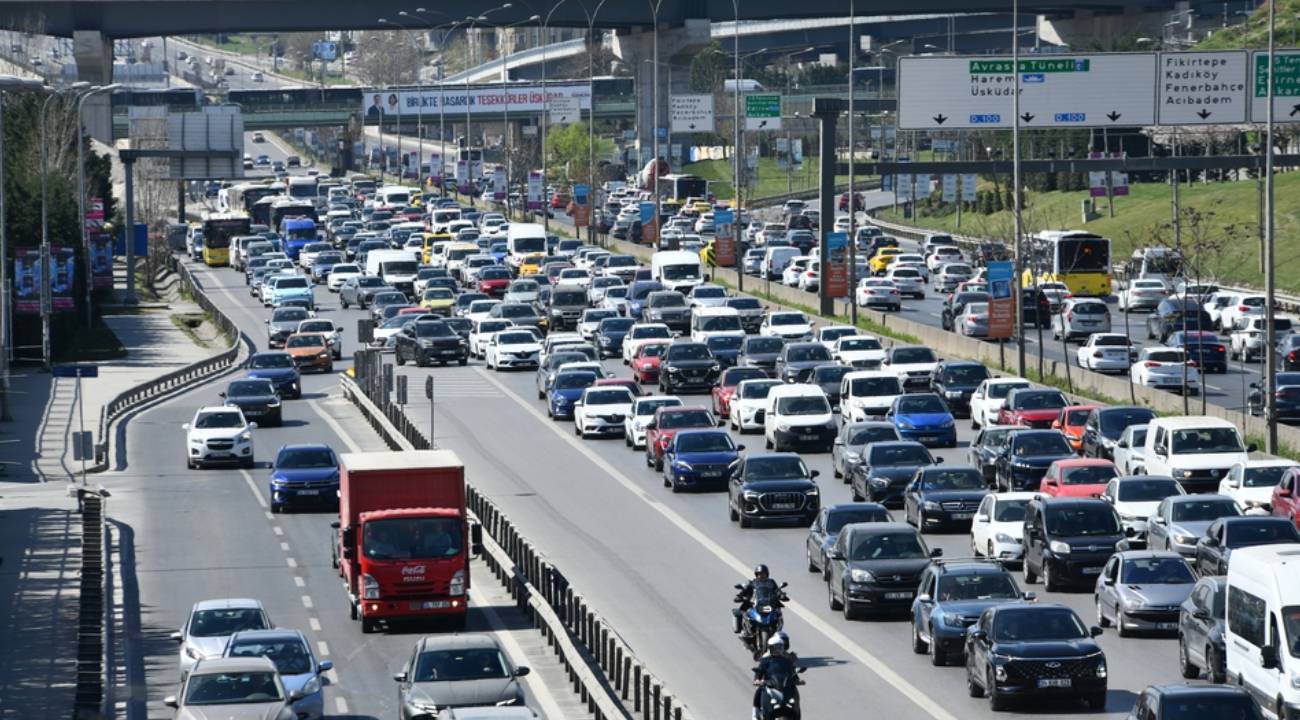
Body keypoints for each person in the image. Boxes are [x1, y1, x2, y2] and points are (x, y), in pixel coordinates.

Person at [752, 633, 801, 720]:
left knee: (794, 693)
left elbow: (792, 672)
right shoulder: (765, 660)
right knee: (758, 692)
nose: (778, 649)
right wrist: (757, 680)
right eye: (775, 647)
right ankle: (755, 715)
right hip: (770, 684)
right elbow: (759, 672)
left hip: (785, 685)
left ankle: (797, 714)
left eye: (780, 647)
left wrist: (798, 680)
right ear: (770, 648)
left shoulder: (787, 660)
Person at [733, 564, 782, 639]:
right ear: (756, 575)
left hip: (768, 604)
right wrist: (739, 596)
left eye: (763, 574)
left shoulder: (771, 582)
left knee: (778, 612)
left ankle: (777, 630)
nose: (761, 576)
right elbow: (745, 589)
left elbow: (777, 590)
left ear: (767, 574)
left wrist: (781, 595)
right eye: (759, 574)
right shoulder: (752, 582)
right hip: (755, 603)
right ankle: (745, 630)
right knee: (743, 611)